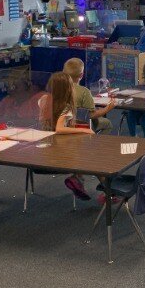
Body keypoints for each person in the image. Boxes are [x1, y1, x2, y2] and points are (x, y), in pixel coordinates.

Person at [39, 72, 96, 200]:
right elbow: (59, 128)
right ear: (68, 88)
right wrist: (85, 131)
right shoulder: (66, 107)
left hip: (44, 149)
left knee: (78, 148)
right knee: (90, 154)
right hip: (59, 153)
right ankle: (108, 191)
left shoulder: (43, 100)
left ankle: (78, 178)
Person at [63, 58, 116, 133]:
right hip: (80, 125)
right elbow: (91, 115)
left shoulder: (57, 88)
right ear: (81, 75)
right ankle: (97, 143)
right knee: (107, 123)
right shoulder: (84, 92)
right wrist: (108, 108)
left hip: (62, 124)